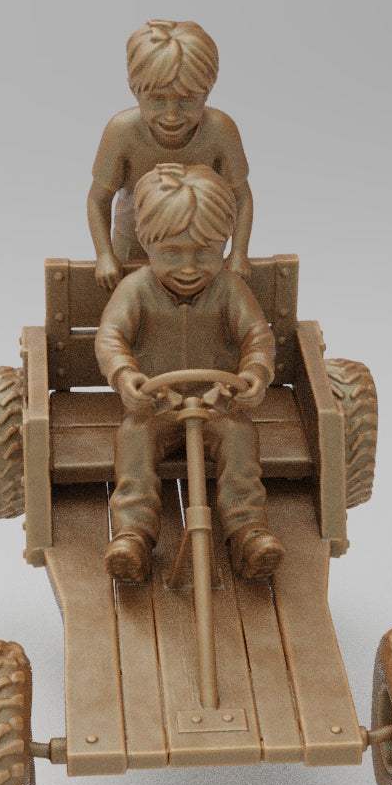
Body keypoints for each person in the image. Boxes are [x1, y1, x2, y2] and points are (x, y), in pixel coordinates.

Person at [94, 164, 285, 584]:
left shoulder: (230, 289)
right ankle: (133, 536)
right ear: (146, 242)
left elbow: (256, 336)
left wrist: (255, 372)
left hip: (217, 403)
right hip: (156, 405)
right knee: (133, 440)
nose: (188, 266)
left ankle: (248, 532)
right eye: (172, 253)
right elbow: (111, 337)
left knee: (240, 439)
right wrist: (125, 376)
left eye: (205, 252)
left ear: (225, 245)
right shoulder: (136, 289)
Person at [87, 20, 255, 291]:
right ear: (135, 90)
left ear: (207, 91)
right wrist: (105, 256)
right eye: (157, 99)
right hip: (133, 249)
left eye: (187, 99)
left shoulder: (221, 131)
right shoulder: (121, 132)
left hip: (199, 255)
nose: (172, 115)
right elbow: (98, 200)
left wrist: (238, 253)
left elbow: (242, 197)